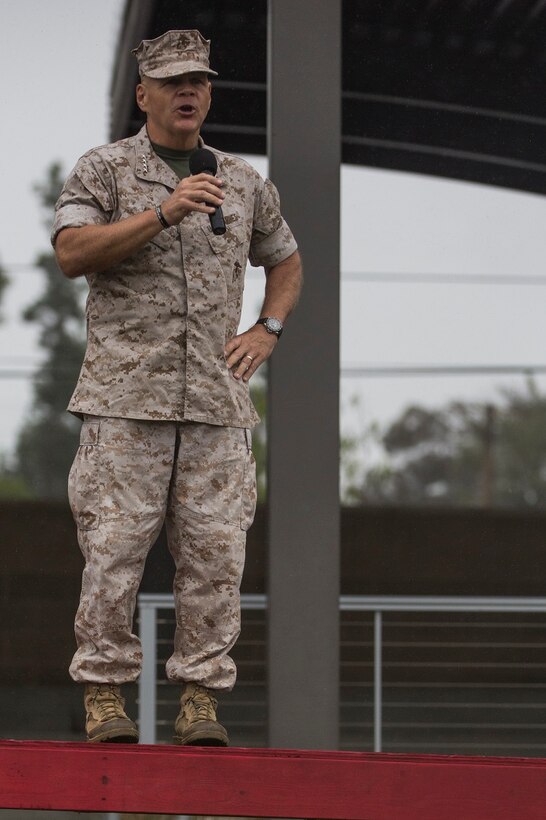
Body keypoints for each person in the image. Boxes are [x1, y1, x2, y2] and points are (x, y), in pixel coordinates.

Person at [52, 29, 302, 746]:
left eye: (198, 81)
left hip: (218, 407)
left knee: (217, 556)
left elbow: (285, 261)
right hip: (125, 403)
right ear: (144, 95)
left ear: (210, 93)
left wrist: (268, 329)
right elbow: (72, 252)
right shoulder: (104, 170)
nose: (187, 92)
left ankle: (200, 697)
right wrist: (162, 211)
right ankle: (105, 693)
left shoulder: (243, 181)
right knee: (113, 552)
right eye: (171, 82)